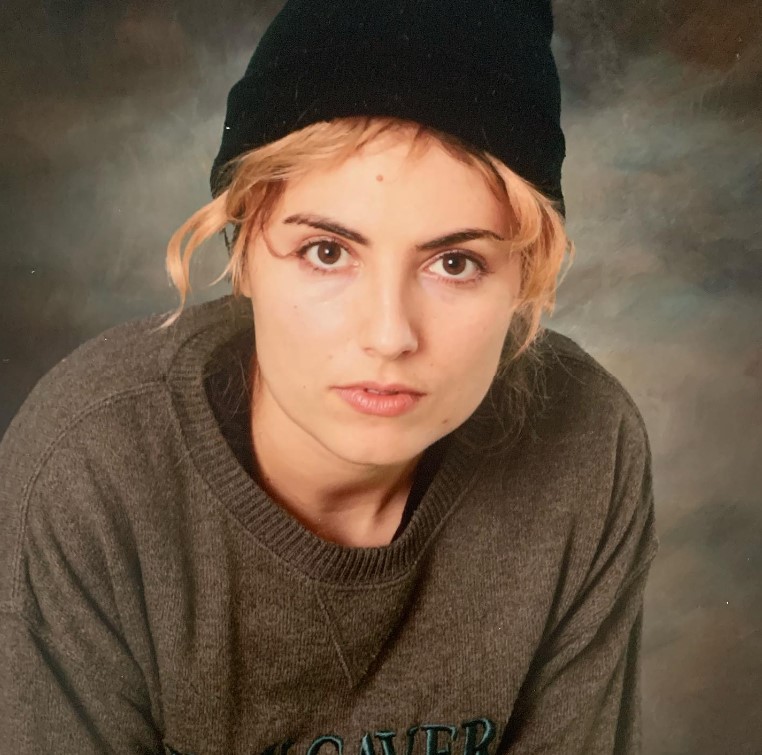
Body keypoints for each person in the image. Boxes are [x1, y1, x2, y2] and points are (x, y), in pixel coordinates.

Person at [0, 1, 660, 753]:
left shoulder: (586, 443)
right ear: (244, 251)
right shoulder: (94, 468)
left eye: (455, 263)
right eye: (327, 252)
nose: (388, 335)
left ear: (526, 277)